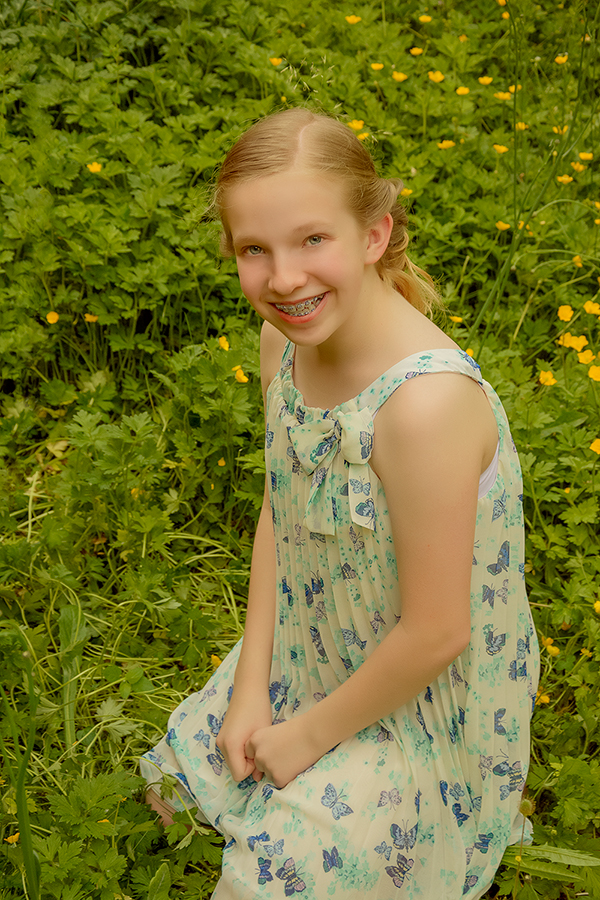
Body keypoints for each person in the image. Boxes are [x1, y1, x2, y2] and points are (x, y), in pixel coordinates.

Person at [141, 107, 540, 899]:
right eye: (256, 250)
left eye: (312, 240)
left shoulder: (425, 406)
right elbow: (279, 510)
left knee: (275, 881)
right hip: (318, 639)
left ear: (374, 235)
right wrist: (254, 681)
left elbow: (437, 633)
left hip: (420, 697)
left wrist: (309, 735)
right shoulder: (283, 341)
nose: (284, 279)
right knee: (179, 787)